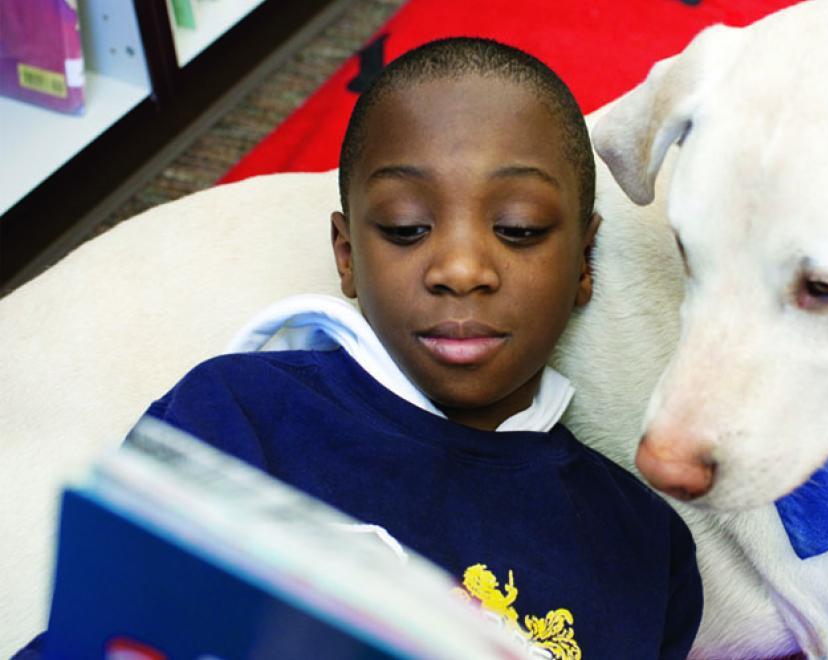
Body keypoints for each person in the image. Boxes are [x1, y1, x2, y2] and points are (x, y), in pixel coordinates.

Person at [19, 37, 701, 660]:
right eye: (407, 228)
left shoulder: (643, 547)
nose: (461, 269)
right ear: (347, 257)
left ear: (584, 262)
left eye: (518, 228)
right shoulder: (241, 415)